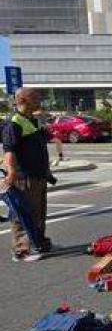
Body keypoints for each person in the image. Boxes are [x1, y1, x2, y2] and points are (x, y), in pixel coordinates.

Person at [3, 88, 56, 262]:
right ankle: (21, 249)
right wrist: (11, 172)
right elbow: (9, 151)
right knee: (23, 213)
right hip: (24, 177)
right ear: (24, 100)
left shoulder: (31, 120)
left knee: (39, 212)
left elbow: (45, 140)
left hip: (38, 175)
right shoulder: (14, 123)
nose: (39, 101)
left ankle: (39, 242)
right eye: (36, 98)